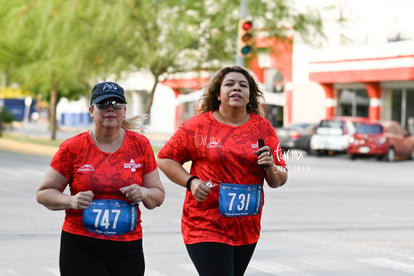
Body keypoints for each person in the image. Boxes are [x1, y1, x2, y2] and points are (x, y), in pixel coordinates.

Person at [157, 65, 288, 276]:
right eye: (229, 84)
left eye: (243, 85)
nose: (236, 88)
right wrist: (191, 181)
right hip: (205, 225)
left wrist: (271, 166)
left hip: (246, 228)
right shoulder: (196, 127)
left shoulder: (263, 128)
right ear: (218, 94)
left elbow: (280, 178)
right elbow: (165, 158)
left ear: (250, 96)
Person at [36, 81, 165, 276]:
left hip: (128, 246)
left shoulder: (141, 145)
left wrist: (143, 192)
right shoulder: (73, 147)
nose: (110, 108)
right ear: (91, 110)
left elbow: (158, 196)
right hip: (81, 246)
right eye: (103, 104)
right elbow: (43, 193)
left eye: (117, 104)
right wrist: (70, 200)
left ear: (124, 110)